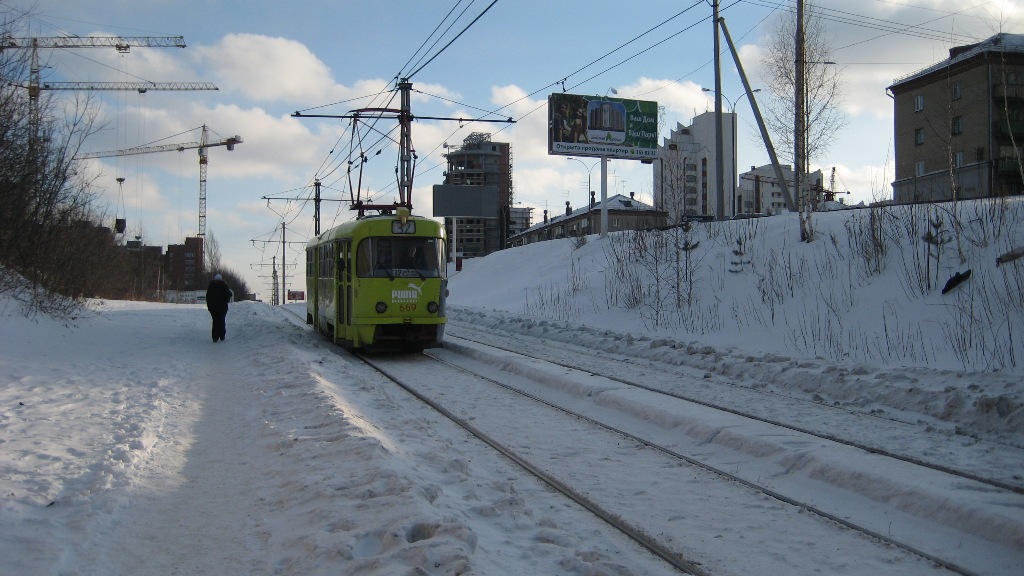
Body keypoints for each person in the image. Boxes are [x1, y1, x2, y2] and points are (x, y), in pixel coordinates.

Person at [205, 273, 233, 342]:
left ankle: (215, 337)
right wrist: (226, 301)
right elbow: (228, 294)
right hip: (222, 307)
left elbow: (208, 296)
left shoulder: (211, 286)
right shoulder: (224, 285)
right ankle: (222, 336)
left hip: (213, 307)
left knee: (215, 321)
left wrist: (209, 306)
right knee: (221, 320)